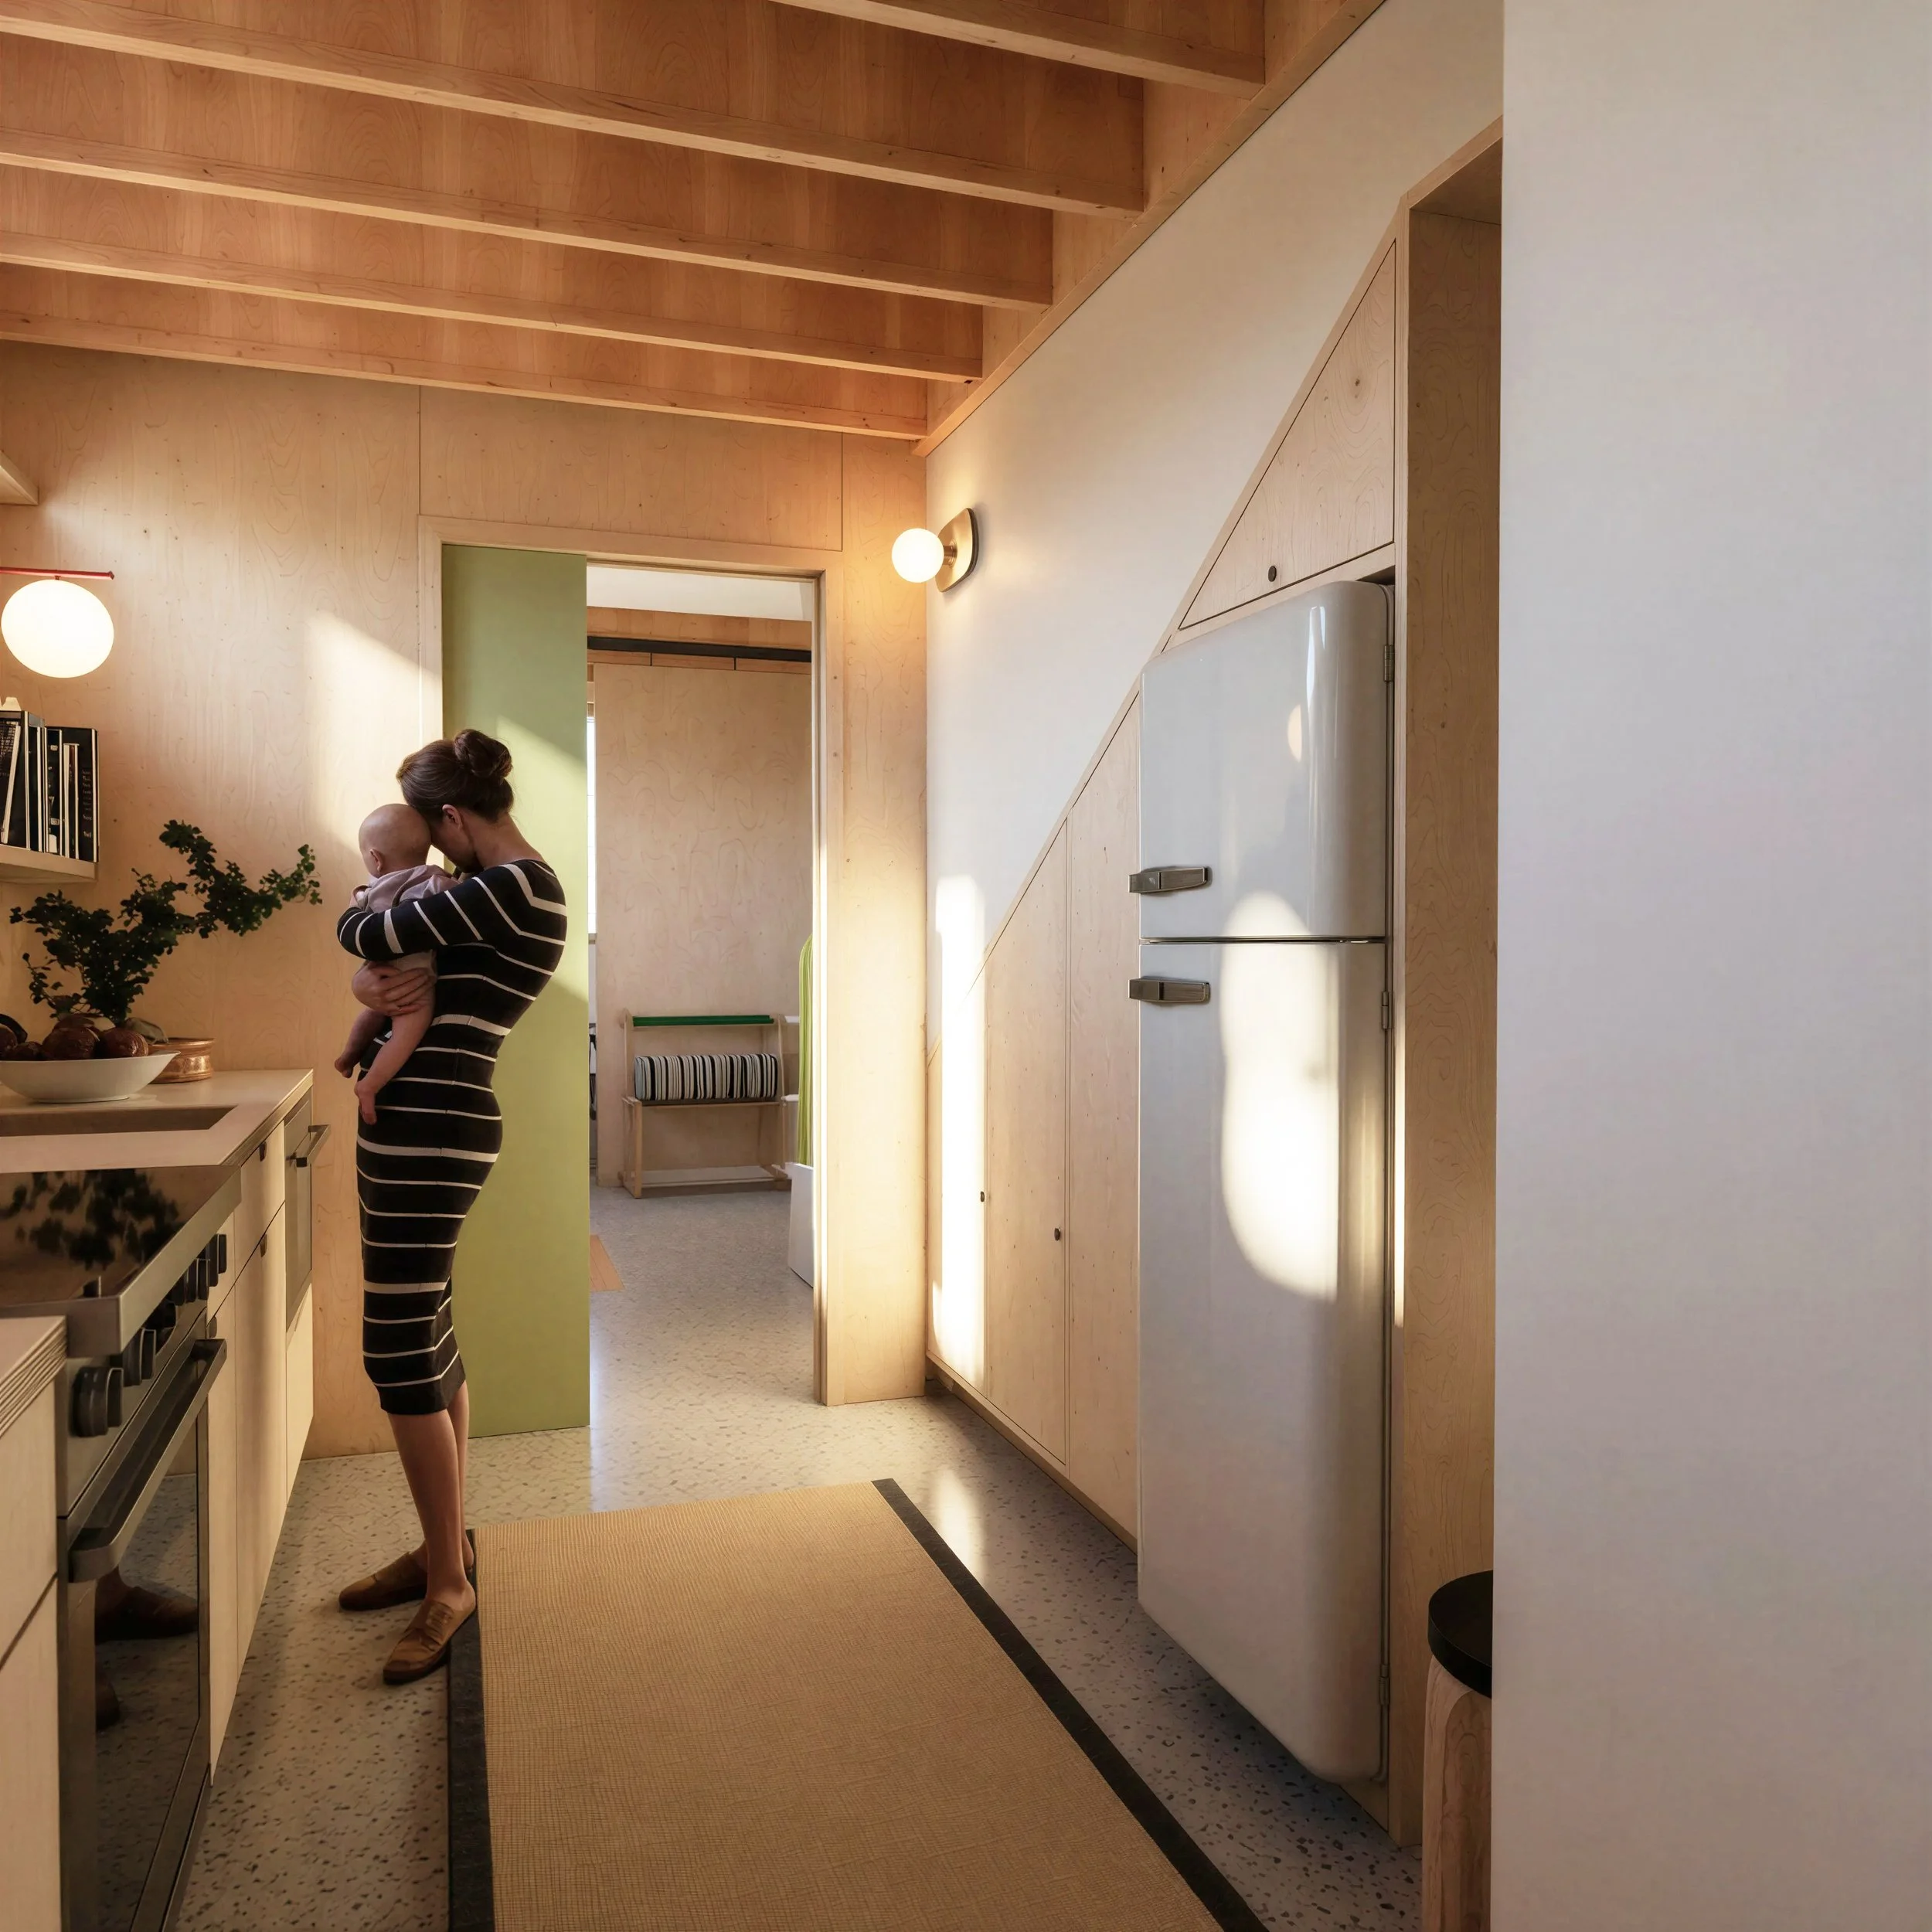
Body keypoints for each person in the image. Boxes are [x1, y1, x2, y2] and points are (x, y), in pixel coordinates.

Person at [332, 730, 566, 1683]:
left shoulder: (515, 886)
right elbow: (378, 955)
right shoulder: (483, 893)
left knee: (394, 1344)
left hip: (436, 1127)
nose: (427, 861)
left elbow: (363, 933)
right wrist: (367, 979)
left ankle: (450, 1587)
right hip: (415, 1124)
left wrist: (364, 962)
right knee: (424, 1327)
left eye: (433, 842)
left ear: (455, 819)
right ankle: (444, 1553)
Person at [333, 804, 454, 1124]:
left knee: (372, 1013)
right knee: (408, 1030)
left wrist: (359, 894)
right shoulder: (432, 880)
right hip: (414, 978)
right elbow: (458, 901)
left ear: (375, 859)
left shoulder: (370, 890)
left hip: (379, 970)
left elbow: (353, 915)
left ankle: (349, 1056)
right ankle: (370, 1085)